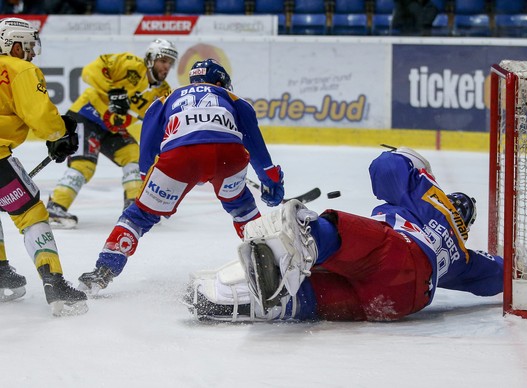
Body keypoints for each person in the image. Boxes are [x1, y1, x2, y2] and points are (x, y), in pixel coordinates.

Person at [183, 147, 504, 322]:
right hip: (403, 303)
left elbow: (386, 169)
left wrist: (411, 160)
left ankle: (305, 237)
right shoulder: (462, 256)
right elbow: (496, 277)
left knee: (329, 231)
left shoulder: (431, 197)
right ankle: (236, 303)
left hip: (398, 252)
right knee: (316, 297)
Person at [77, 58, 285, 295]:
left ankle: (103, 271)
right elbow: (254, 143)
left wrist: (146, 175)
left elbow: (148, 140)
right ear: (220, 82)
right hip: (230, 155)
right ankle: (271, 268)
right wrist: (270, 179)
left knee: (139, 215)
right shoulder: (234, 99)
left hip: (180, 156)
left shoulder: (166, 98)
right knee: (242, 208)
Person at [0, 18, 87, 316]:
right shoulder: (19, 69)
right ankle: (54, 281)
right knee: (30, 213)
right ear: (12, 43)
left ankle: (0, 274)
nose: (32, 53)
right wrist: (61, 132)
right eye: (27, 46)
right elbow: (40, 117)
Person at [46, 38, 179, 228]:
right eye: (163, 61)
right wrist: (113, 90)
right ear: (150, 59)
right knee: (84, 165)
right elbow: (89, 72)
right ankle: (55, 206)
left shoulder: (163, 92)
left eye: (170, 63)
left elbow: (163, 122)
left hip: (112, 128)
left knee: (134, 155)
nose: (166, 67)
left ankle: (136, 205)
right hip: (86, 116)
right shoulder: (129, 64)